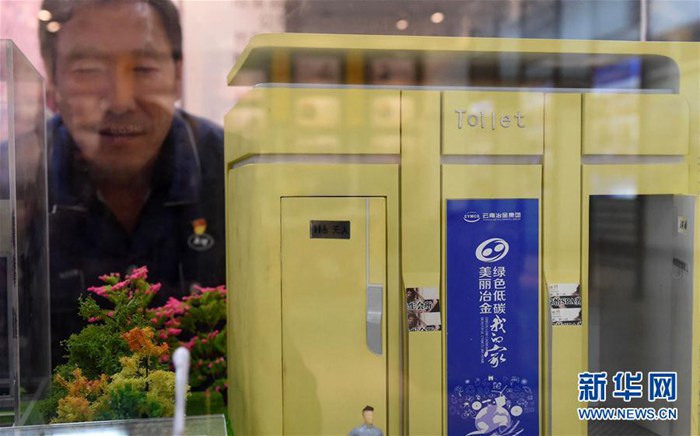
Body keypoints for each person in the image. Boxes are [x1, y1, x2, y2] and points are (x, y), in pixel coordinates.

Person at [38, 0, 225, 368]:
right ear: (52, 83)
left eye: (143, 68)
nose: (120, 102)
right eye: (88, 70)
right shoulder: (14, 181)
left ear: (178, 75)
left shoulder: (236, 174)